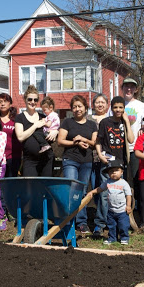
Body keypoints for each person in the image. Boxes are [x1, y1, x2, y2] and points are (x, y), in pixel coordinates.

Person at [57, 95, 98, 234]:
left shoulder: (92, 124)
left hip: (86, 162)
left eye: (80, 106)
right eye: (74, 107)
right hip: (70, 160)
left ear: (85, 108)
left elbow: (94, 143)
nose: (77, 109)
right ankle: (68, 221)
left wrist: (83, 139)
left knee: (83, 191)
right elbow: (60, 141)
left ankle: (81, 222)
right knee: (71, 189)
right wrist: (75, 142)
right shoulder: (68, 122)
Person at [95, 96, 134, 235]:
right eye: (115, 107)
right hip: (107, 163)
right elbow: (98, 141)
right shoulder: (105, 122)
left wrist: (127, 122)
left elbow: (131, 139)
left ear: (124, 109)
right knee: (105, 193)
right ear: (111, 108)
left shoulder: (124, 123)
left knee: (119, 193)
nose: (118, 110)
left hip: (121, 164)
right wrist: (100, 155)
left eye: (121, 107)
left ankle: (118, 223)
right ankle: (99, 225)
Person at [87, 159, 132, 245]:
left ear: (122, 172)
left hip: (122, 210)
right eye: (111, 171)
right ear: (108, 174)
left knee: (123, 225)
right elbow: (100, 189)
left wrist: (128, 206)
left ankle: (124, 237)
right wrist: (92, 192)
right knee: (112, 226)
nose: (114, 173)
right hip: (111, 211)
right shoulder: (108, 182)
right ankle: (112, 238)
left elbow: (128, 195)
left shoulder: (124, 183)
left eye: (116, 170)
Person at [15, 86, 57, 176]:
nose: (32, 102)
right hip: (30, 161)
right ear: (25, 99)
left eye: (35, 100)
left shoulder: (43, 117)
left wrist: (55, 132)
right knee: (31, 188)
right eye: (30, 99)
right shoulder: (20, 117)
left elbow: (55, 127)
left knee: (44, 189)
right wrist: (35, 125)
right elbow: (20, 137)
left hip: (46, 159)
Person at [120, 78, 144, 206]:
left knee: (137, 178)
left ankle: (137, 206)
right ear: (122, 88)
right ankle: (124, 206)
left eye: (132, 87)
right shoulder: (117, 105)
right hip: (120, 148)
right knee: (123, 178)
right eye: (126, 86)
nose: (129, 89)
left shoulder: (142, 106)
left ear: (136, 89)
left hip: (137, 148)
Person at [0, 93, 22, 219]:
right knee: (0, 184)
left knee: (11, 184)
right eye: (0, 101)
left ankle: (11, 211)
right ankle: (2, 210)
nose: (2, 103)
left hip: (14, 156)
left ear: (10, 104)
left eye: (5, 101)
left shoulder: (16, 119)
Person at [88, 94, 109, 236]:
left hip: (105, 160)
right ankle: (93, 216)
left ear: (107, 105)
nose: (100, 105)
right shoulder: (88, 119)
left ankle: (101, 222)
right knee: (92, 188)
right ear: (93, 104)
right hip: (89, 158)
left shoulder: (110, 119)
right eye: (97, 102)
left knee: (103, 191)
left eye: (103, 102)